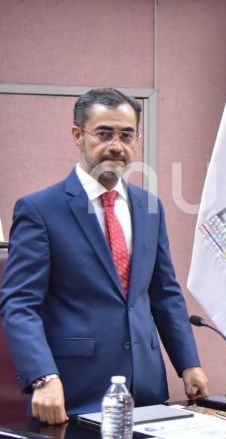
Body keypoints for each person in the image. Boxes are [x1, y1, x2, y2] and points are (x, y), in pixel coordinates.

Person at [0, 88, 208, 424]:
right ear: (77, 135)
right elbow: (19, 304)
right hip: (72, 393)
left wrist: (188, 362)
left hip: (147, 393)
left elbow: (164, 293)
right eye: (104, 133)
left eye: (126, 135)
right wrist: (43, 376)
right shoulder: (40, 210)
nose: (116, 145)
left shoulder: (149, 207)